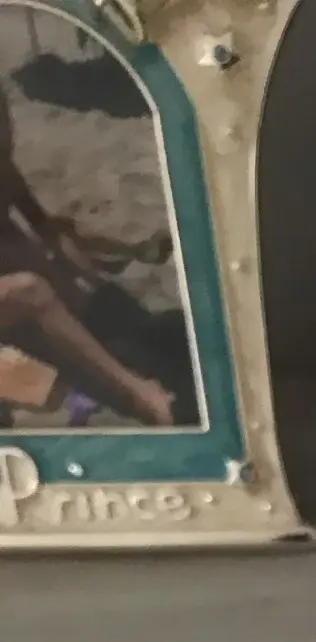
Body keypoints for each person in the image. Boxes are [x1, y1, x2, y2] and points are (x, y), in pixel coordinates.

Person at [0, 79, 175, 427]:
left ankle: (116, 335)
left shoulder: (4, 167)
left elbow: (46, 230)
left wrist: (82, 274)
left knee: (39, 258)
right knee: (30, 291)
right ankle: (140, 396)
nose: (7, 133)